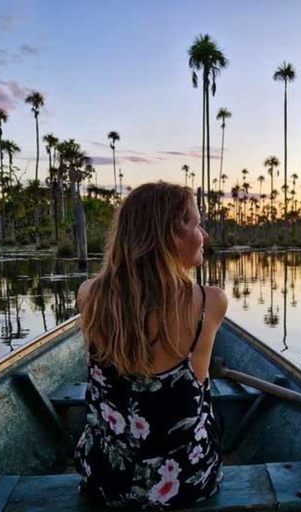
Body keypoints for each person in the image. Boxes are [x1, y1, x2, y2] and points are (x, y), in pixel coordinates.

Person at [74, 182, 227, 509]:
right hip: (186, 483)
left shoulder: (88, 295)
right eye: (197, 224)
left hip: (106, 482)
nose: (204, 235)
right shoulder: (210, 303)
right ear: (172, 234)